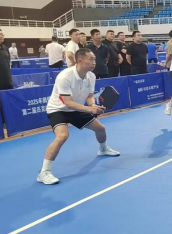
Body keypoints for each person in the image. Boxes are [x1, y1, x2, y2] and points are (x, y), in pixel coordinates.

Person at [37, 48, 120, 185]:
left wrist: (92, 105)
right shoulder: (65, 76)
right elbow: (68, 103)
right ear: (80, 60)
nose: (94, 62)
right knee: (62, 135)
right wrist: (90, 109)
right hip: (58, 109)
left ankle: (103, 149)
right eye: (91, 59)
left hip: (77, 108)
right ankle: (44, 172)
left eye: (94, 59)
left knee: (100, 129)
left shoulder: (91, 76)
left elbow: (90, 95)